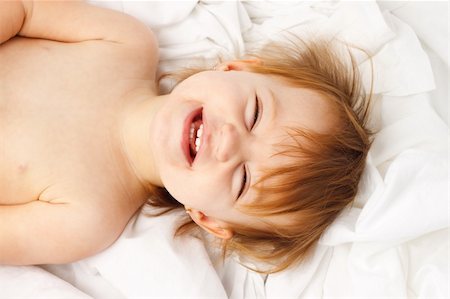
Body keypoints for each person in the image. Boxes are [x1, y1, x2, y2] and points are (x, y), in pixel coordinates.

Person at [0, 1, 371, 273]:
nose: (227, 142)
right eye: (254, 113)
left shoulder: (87, 221)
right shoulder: (123, 43)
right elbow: (23, 8)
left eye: (243, 179)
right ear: (235, 69)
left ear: (207, 218)